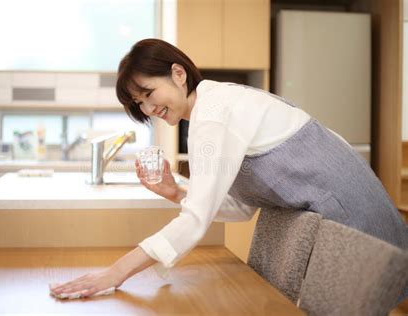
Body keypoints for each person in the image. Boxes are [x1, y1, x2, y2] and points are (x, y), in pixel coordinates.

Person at [51, 38, 408, 299]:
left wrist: (115, 273)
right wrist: (176, 192)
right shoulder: (213, 105)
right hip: (335, 209)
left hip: (349, 214)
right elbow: (242, 207)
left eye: (148, 93)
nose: (147, 108)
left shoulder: (213, 114)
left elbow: (196, 220)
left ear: (177, 74)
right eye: (139, 103)